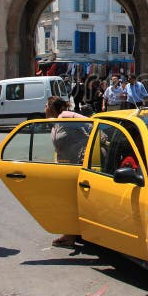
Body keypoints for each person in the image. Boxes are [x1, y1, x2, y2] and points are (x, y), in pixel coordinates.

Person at [44, 96, 90, 249]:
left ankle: (70, 235)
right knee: (68, 201)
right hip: (66, 167)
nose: (44, 109)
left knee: (71, 201)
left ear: (52, 108)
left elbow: (90, 122)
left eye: (46, 106)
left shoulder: (65, 116)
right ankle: (73, 233)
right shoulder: (55, 122)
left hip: (79, 164)